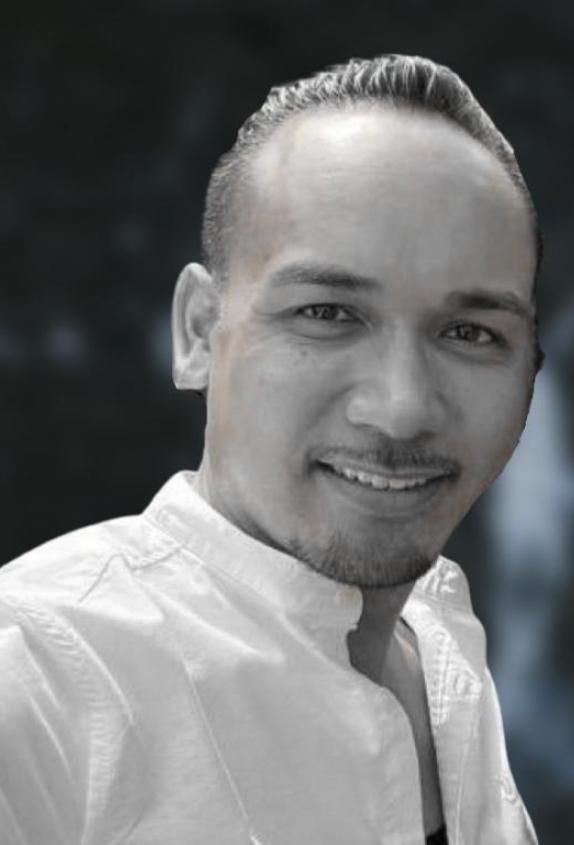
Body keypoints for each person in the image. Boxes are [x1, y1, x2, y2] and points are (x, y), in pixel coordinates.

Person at [0, 54, 543, 845]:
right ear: (197, 331)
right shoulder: (37, 676)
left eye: (470, 332)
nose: (401, 410)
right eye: (327, 313)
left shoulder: (443, 653)